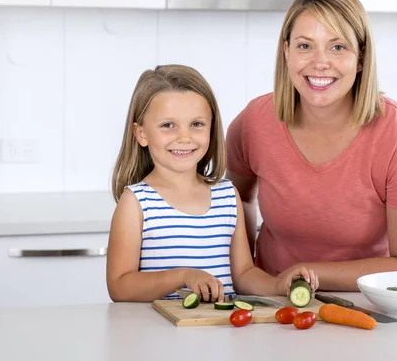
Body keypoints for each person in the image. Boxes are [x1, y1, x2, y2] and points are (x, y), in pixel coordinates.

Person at [226, 0, 397, 292]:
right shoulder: (254, 122)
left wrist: (307, 274)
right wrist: (250, 275)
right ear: (286, 52)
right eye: (304, 46)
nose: (320, 62)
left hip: (366, 307)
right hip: (273, 305)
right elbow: (237, 197)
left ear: (361, 57)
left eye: (338, 47)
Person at [106, 65, 318, 302]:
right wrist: (184, 276)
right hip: (160, 334)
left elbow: (243, 275)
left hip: (222, 332)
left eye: (196, 124)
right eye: (168, 125)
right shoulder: (137, 202)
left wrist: (279, 284)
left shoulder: (227, 195)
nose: (184, 137)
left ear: (211, 127)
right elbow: (120, 287)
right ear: (141, 133)